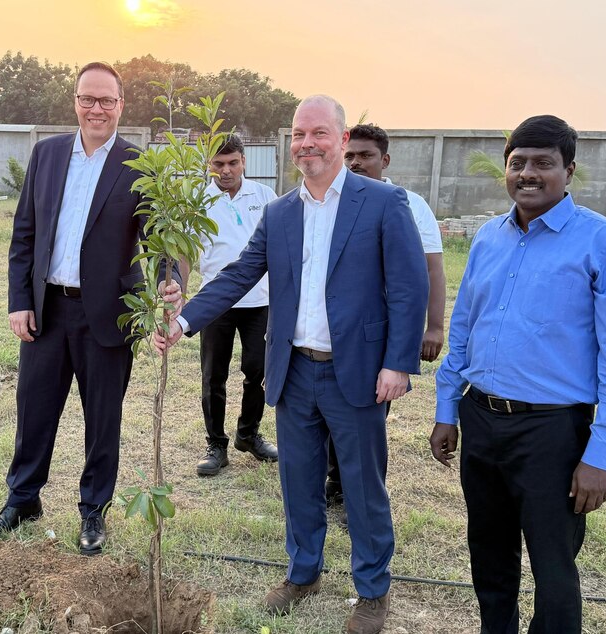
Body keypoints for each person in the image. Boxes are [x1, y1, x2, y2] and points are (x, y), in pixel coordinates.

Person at [157, 95, 428, 634]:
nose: (308, 144)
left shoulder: (384, 203)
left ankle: (372, 590)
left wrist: (398, 362)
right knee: (298, 480)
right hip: (295, 371)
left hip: (357, 371)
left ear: (343, 139)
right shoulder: (280, 213)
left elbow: (408, 286)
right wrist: (183, 321)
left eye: (320, 133)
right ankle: (304, 573)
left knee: (361, 485)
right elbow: (238, 276)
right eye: (300, 135)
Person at [431, 115, 606, 633]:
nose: (528, 174)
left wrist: (601, 455)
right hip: (480, 420)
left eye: (543, 164)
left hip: (553, 432)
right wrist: (446, 411)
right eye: (518, 163)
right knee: (488, 551)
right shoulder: (487, 237)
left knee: (553, 567)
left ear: (568, 171)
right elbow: (463, 328)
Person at [0, 62, 173, 556]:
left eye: (107, 100)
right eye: (88, 98)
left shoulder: (138, 165)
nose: (97, 108)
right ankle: (22, 500)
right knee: (34, 410)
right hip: (47, 311)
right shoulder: (45, 155)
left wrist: (170, 283)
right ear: (75, 102)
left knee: (102, 418)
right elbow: (24, 234)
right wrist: (19, 300)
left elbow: (159, 240)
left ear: (121, 105)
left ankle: (93, 511)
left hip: (108, 316)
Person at [325, 123, 447, 506]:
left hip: (380, 333)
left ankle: (356, 491)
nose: (356, 163)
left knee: (367, 415)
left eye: (366, 156)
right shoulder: (327, 200)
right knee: (329, 412)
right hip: (332, 330)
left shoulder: (407, 203)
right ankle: (334, 481)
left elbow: (431, 270)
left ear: (385, 159)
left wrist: (434, 327)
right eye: (350, 156)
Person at [194, 133, 279, 476]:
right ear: (209, 165)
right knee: (213, 375)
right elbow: (185, 252)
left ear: (244, 161)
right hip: (215, 301)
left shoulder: (266, 197)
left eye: (232, 163)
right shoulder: (197, 200)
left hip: (260, 302)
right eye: (218, 164)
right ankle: (216, 443)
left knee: (258, 371)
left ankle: (249, 434)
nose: (226, 171)